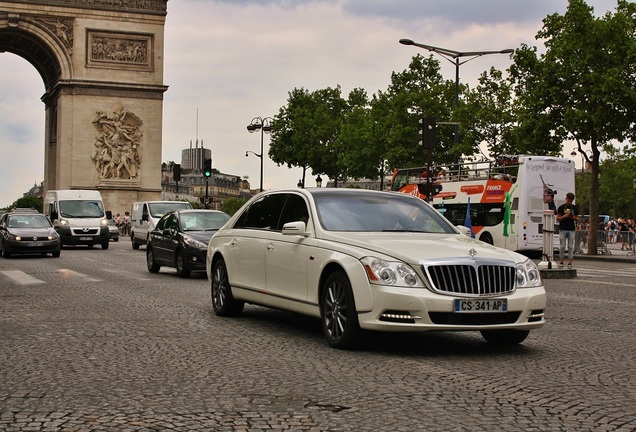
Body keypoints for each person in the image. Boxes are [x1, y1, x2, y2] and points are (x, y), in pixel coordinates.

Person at [556, 192, 579, 269]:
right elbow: (558, 218)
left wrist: (572, 217)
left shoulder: (574, 208)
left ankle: (570, 263)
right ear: (566, 199)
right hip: (563, 228)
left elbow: (577, 219)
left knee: (570, 246)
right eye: (568, 200)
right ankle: (561, 262)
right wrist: (564, 216)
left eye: (571, 201)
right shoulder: (561, 207)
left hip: (571, 229)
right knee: (562, 246)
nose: (569, 202)